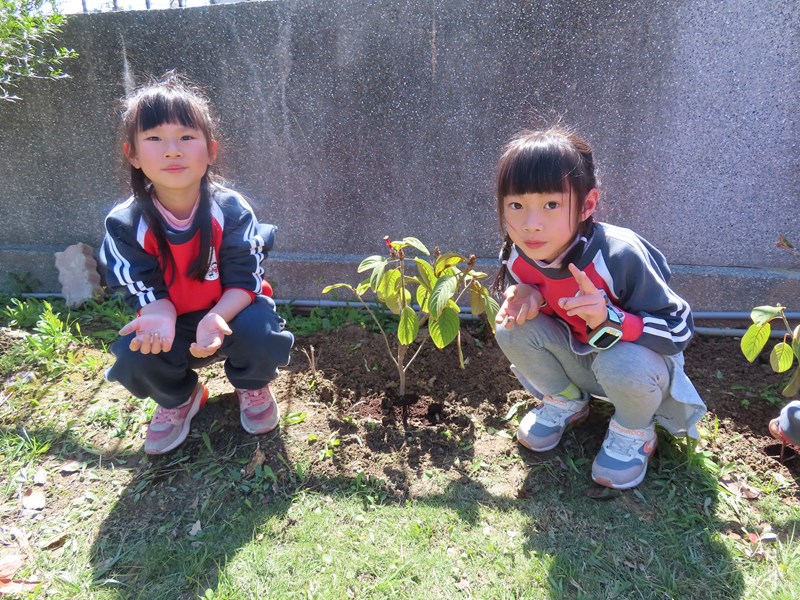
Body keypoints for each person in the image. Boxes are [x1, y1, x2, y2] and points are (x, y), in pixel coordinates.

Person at [491, 125, 706, 489]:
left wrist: (614, 318)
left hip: (635, 369)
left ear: (588, 204)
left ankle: (634, 430)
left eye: (551, 205)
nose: (531, 224)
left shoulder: (620, 255)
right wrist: (530, 295)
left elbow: (680, 329)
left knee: (619, 360)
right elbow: (535, 290)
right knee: (510, 326)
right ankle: (566, 402)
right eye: (516, 205)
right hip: (580, 359)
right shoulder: (518, 253)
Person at [100, 72, 294, 455]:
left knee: (262, 332)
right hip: (170, 319)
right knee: (133, 354)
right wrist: (158, 313)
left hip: (230, 312)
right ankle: (179, 398)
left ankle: (252, 385)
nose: (172, 151)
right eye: (154, 139)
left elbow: (246, 277)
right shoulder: (124, 222)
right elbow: (140, 283)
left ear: (210, 150)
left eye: (187, 138)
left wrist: (217, 317)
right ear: (133, 155)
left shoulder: (231, 208)